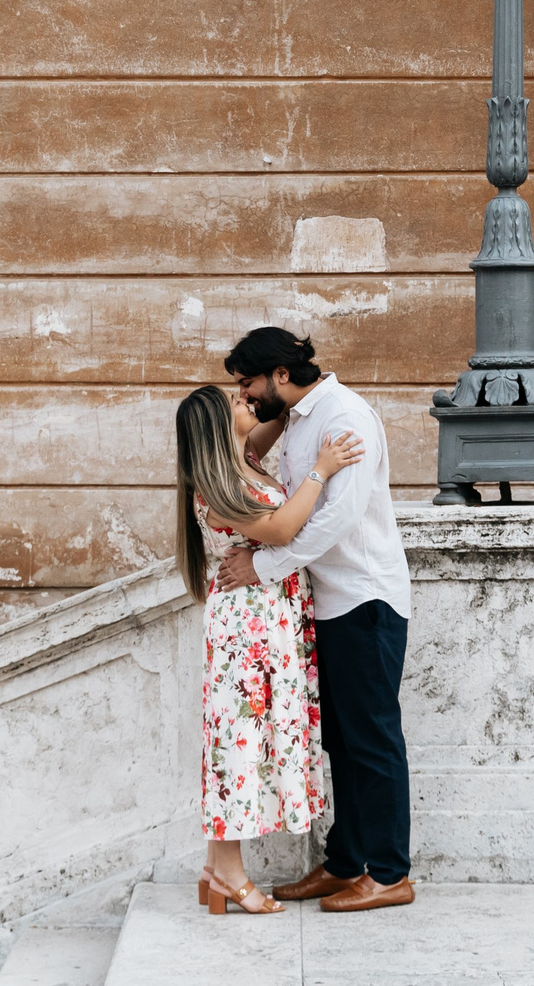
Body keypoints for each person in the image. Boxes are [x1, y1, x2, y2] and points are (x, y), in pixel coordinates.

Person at [215, 327, 417, 912]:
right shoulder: (301, 417)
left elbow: (339, 518)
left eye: (248, 382)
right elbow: (247, 462)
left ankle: (388, 872)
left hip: (365, 598)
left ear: (280, 374)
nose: (247, 396)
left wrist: (267, 564)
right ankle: (346, 862)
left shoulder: (345, 415)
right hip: (326, 601)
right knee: (343, 742)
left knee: (373, 739)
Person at [173, 381, 365, 916]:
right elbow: (281, 528)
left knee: (243, 739)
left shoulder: (246, 462)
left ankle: (216, 869)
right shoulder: (219, 485)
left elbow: (273, 417)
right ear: (217, 426)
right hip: (248, 625)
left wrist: (291, 386)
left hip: (267, 621)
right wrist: (321, 469)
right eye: (236, 403)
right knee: (240, 742)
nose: (246, 403)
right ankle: (231, 874)